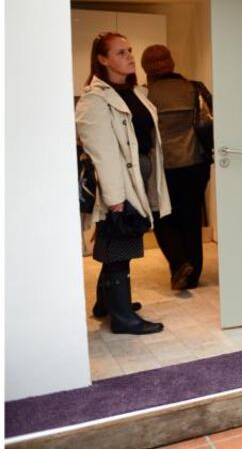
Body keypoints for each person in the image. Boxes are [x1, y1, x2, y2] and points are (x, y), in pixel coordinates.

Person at [76, 32, 171, 335]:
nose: (129, 56)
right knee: (121, 242)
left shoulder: (136, 92)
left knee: (113, 240)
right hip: (119, 182)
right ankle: (122, 318)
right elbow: (103, 155)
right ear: (102, 59)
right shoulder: (95, 100)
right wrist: (116, 198)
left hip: (136, 177)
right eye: (120, 52)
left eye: (129, 50)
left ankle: (105, 304)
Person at [141, 44, 213, 290]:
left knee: (163, 218)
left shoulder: (144, 94)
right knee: (191, 217)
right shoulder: (195, 88)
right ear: (171, 63)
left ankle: (180, 263)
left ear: (146, 69)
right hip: (195, 164)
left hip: (162, 169)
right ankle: (191, 276)